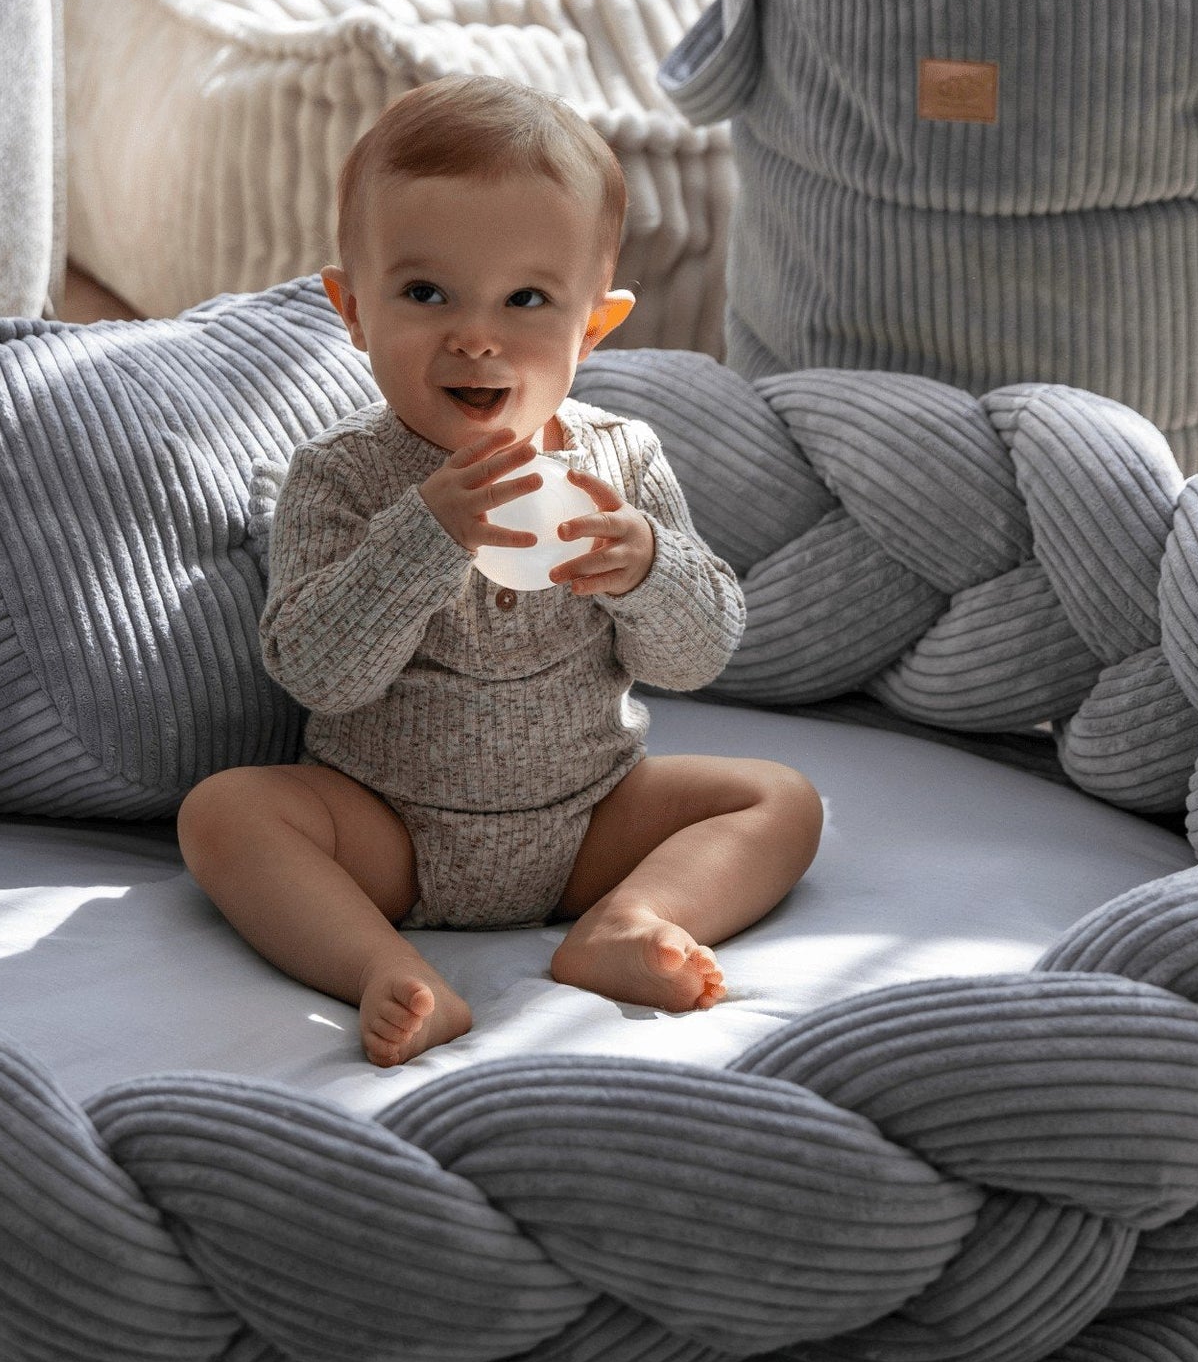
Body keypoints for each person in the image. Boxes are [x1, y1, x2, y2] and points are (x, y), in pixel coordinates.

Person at [179, 75, 822, 1066]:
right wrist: (424, 533)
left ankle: (627, 920)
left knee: (781, 801)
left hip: (589, 821)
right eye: (425, 293)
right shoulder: (341, 474)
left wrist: (649, 569)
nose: (475, 335)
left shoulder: (622, 462)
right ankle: (383, 968)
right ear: (353, 311)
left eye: (526, 299)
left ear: (592, 328)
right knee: (224, 815)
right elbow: (315, 673)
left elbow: (697, 657)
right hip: (387, 830)